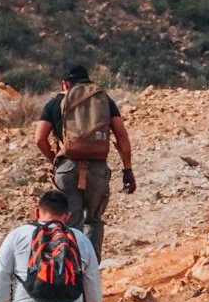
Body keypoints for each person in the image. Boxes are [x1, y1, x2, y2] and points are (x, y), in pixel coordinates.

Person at [34, 65, 135, 260]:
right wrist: (127, 170)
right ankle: (90, 271)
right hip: (97, 168)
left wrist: (55, 161)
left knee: (71, 221)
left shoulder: (55, 103)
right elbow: (122, 135)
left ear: (65, 84)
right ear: (88, 81)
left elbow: (39, 139)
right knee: (94, 221)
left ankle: (69, 269)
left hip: (67, 168)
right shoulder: (104, 100)